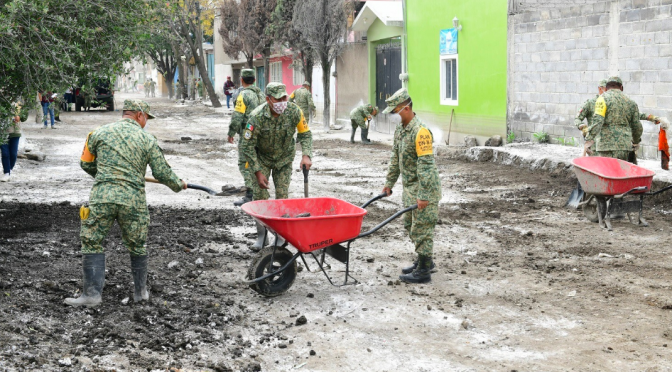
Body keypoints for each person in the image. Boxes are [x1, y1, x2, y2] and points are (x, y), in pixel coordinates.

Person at [64, 99, 187, 307]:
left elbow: (85, 163)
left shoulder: (98, 133)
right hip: (133, 200)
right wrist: (178, 184)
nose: (146, 121)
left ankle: (91, 296)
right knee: (137, 245)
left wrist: (105, 175)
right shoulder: (147, 139)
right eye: (146, 117)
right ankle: (140, 293)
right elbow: (162, 173)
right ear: (139, 115)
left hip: (103, 196)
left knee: (92, 240)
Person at [241, 82, 313, 250]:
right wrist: (258, 172)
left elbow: (306, 134)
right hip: (262, 159)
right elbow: (247, 146)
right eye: (278, 98)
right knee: (260, 197)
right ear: (268, 99)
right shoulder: (256, 116)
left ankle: (280, 237)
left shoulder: (294, 111)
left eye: (284, 97)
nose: (282, 101)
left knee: (282, 196)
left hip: (284, 159)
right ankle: (262, 236)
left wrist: (306, 155)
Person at [381, 88, 441, 284]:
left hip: (424, 188)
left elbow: (426, 166)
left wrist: (424, 195)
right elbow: (394, 158)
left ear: (405, 108)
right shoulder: (401, 129)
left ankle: (424, 271)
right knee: (410, 225)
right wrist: (389, 183)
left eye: (393, 111)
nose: (392, 115)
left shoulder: (421, 132)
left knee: (422, 228)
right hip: (409, 187)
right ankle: (425, 260)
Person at [227, 69, 265, 207]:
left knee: (245, 163)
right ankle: (260, 193)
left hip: (247, 135)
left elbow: (237, 116)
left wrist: (231, 132)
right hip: (262, 135)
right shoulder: (262, 95)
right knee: (259, 163)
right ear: (254, 80)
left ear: (241, 80)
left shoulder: (243, 95)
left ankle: (250, 194)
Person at [585, 76, 643, 162]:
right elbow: (637, 126)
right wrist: (636, 141)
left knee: (607, 172)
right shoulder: (631, 102)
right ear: (621, 88)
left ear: (606, 88)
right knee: (622, 172)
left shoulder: (602, 99)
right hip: (624, 146)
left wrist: (588, 139)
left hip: (605, 146)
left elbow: (597, 122)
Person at [1, 103, 23, 182]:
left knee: (13, 154)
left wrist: (19, 117)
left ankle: (9, 169)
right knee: (5, 153)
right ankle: (6, 172)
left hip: (15, 132)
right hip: (2, 132)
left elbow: (24, 117)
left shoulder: (16, 103)